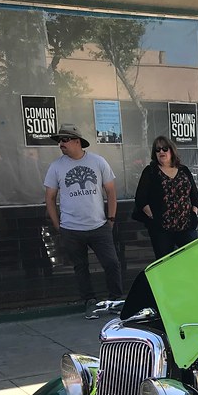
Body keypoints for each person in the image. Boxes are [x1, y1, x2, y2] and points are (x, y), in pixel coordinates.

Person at [43, 123, 122, 319]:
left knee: (112, 263)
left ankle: (116, 300)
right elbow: (50, 198)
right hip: (71, 229)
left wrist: (111, 218)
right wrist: (57, 224)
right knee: (81, 268)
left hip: (99, 225)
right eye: (59, 140)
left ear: (77, 142)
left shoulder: (98, 162)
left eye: (65, 139)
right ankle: (90, 302)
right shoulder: (56, 167)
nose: (61, 143)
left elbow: (111, 191)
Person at [132, 135, 198, 259]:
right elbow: (140, 198)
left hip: (186, 226)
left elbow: (195, 196)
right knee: (164, 263)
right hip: (162, 230)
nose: (161, 152)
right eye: (157, 150)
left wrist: (194, 214)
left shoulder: (184, 170)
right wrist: (154, 217)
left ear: (171, 150)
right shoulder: (151, 171)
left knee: (194, 257)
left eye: (164, 148)